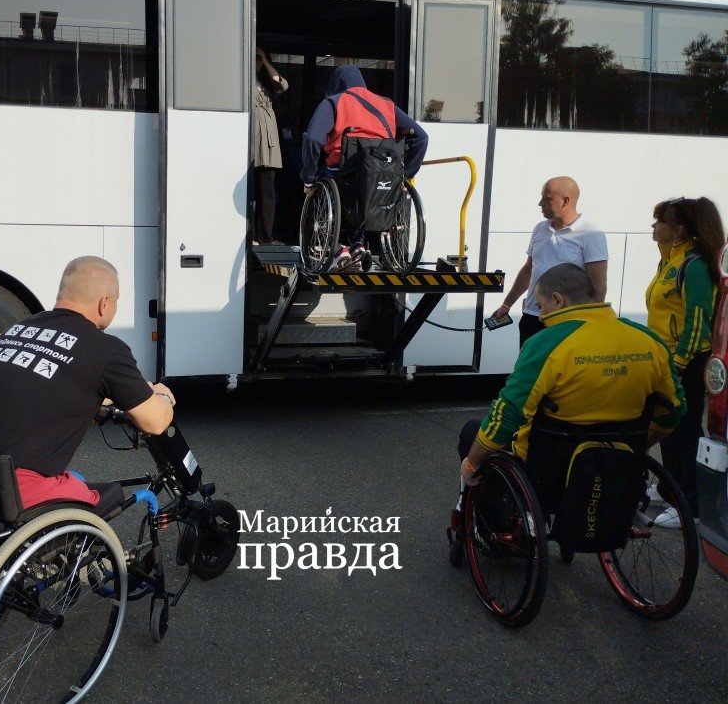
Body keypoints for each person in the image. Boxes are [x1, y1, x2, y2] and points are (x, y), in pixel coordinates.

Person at [0, 256, 176, 509]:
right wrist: (161, 397)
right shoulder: (105, 349)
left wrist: (111, 396)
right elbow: (155, 422)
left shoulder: (19, 329)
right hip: (12, 491)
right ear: (105, 303)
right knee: (111, 494)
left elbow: (51, 385)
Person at [459, 264, 684, 490]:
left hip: (551, 473)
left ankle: (492, 518)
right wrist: (639, 446)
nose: (541, 316)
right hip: (619, 464)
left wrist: (472, 463)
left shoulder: (545, 344)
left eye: (540, 306)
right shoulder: (649, 341)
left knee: (472, 431)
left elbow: (508, 412)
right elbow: (674, 408)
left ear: (557, 301)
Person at [645, 196, 726, 528]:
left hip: (686, 363)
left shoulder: (692, 266)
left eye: (660, 221)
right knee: (667, 430)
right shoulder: (669, 259)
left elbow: (697, 323)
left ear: (678, 230)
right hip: (667, 361)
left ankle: (688, 506)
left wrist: (675, 365)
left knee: (683, 433)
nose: (653, 226)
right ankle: (669, 489)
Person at [300, 64, 428, 271]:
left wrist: (308, 178)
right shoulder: (386, 104)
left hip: (343, 170)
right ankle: (358, 244)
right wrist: (406, 175)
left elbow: (313, 139)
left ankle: (338, 248)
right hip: (381, 172)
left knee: (323, 183)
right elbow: (421, 138)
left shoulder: (334, 101)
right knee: (363, 193)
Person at [492, 176, 608, 347]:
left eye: (546, 198)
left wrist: (592, 322)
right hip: (533, 316)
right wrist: (506, 304)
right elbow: (528, 270)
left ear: (565, 201)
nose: (540, 203)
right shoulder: (540, 228)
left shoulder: (591, 234)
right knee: (529, 371)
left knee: (562, 372)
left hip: (568, 321)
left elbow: (598, 284)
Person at [252, 47, 288, 246]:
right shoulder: (243, 81)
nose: (256, 62)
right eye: (255, 59)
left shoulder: (268, 85)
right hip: (251, 144)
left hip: (268, 147)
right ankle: (250, 236)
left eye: (259, 59)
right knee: (249, 194)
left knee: (267, 194)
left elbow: (283, 85)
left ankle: (265, 236)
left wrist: (265, 60)